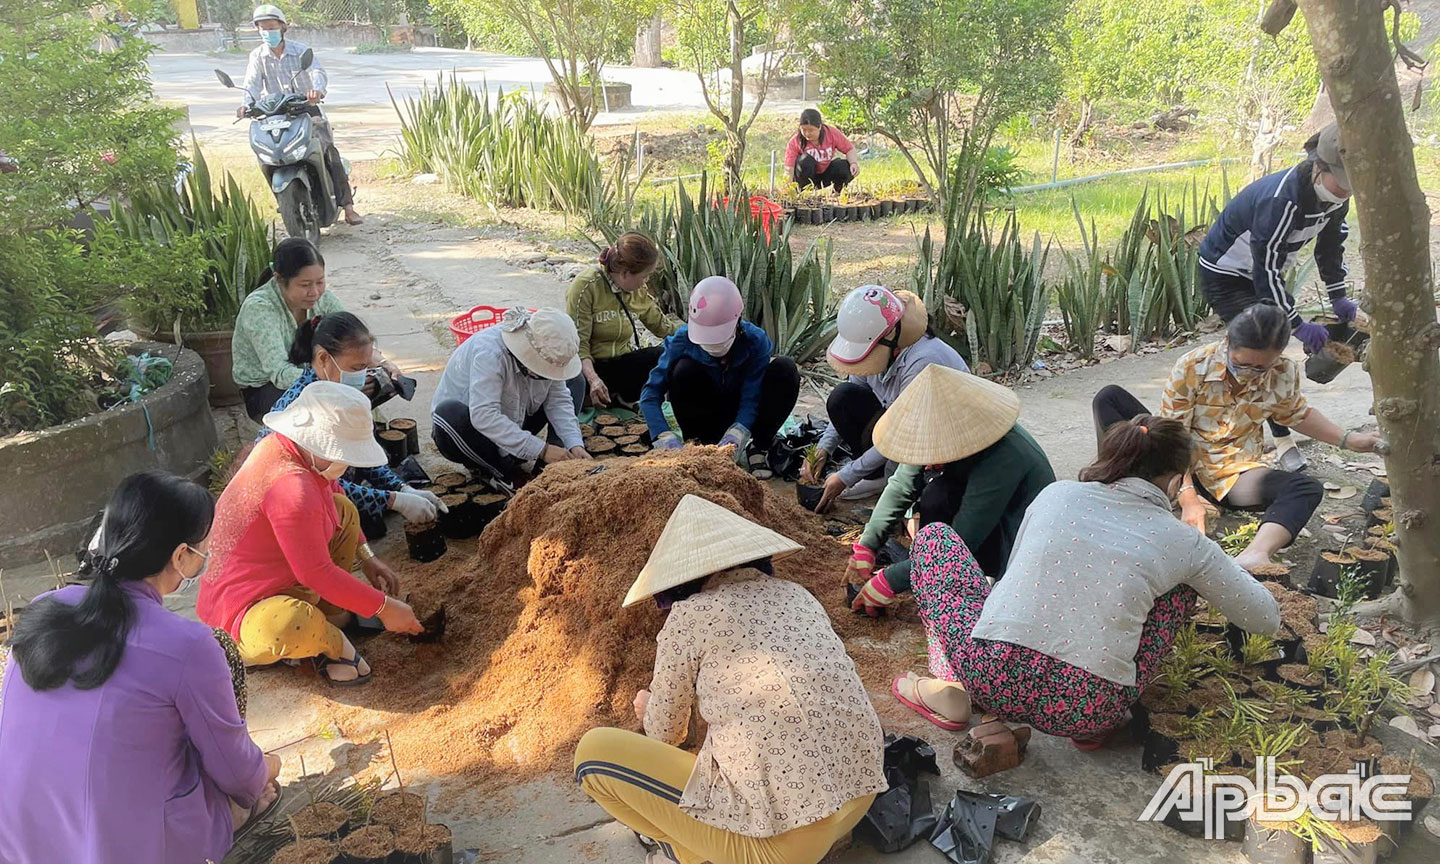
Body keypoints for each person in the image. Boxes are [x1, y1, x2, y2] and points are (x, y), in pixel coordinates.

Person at [890, 417, 1282, 746]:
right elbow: (1265, 619)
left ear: (1111, 456)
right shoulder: (1185, 542)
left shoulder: (1056, 494)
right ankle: (1094, 733)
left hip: (989, 675)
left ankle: (951, 687)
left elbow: (1016, 574)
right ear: (1176, 480)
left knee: (935, 538)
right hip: (1088, 708)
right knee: (1179, 585)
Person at [575, 495, 887, 864]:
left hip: (786, 844)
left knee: (592, 756)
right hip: (859, 798)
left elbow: (665, 733)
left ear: (678, 581)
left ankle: (682, 851)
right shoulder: (798, 596)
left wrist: (647, 709)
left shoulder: (689, 617)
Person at [0, 472, 282, 864]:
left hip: (20, 841)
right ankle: (228, 820)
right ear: (181, 556)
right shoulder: (189, 645)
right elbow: (237, 774)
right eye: (202, 549)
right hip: (123, 851)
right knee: (253, 787)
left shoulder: (46, 607)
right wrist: (266, 767)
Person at [1092, 304, 1385, 571]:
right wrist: (1188, 496)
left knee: (1305, 488)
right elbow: (1174, 436)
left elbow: (1297, 415)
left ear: (1277, 356)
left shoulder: (1283, 372)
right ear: (1228, 343)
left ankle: (1255, 555)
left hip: (1233, 477)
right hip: (1174, 465)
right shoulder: (1193, 366)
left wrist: (1349, 440)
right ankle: (1120, 485)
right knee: (1110, 398)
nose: (1248, 374)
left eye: (1260, 368)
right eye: (1241, 363)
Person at [199, 382, 424, 685]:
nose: (345, 463)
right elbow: (316, 574)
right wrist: (384, 608)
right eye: (342, 453)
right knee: (292, 624)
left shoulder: (292, 450)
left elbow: (334, 493)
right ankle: (329, 644)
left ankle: (332, 612)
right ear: (318, 443)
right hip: (244, 611)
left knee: (343, 509)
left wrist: (367, 556)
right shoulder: (291, 487)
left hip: (282, 574)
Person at [1197, 123, 1358, 470]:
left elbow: (1331, 249)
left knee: (1267, 356)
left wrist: (1339, 297)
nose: (1346, 189)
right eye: (1341, 180)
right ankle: (1278, 441)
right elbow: (1265, 267)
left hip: (1260, 273)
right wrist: (1296, 323)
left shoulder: (1336, 200)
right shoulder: (1282, 199)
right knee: (1262, 352)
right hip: (1225, 275)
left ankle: (1268, 431)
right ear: (1319, 166)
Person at [847, 365, 1055, 616]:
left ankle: (959, 586)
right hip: (983, 524)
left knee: (939, 499)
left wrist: (891, 580)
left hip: (1018, 543)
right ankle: (932, 577)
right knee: (937, 493)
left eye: (935, 454)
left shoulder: (1004, 455)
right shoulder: (939, 433)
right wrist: (867, 546)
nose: (929, 464)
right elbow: (902, 484)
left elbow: (964, 539)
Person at [259, 312, 447, 533]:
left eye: (366, 367)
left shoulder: (335, 391)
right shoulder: (307, 409)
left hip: (323, 484)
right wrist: (394, 500)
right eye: (356, 368)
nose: (364, 376)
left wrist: (402, 488)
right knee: (360, 521)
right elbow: (325, 486)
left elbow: (359, 456)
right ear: (323, 359)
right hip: (290, 499)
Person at [804, 286, 969, 510]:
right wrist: (823, 449)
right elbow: (852, 391)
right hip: (894, 419)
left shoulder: (922, 362)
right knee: (842, 397)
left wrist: (847, 476)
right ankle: (874, 472)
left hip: (935, 437)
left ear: (890, 343)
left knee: (921, 490)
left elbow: (901, 433)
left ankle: (883, 478)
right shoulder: (882, 347)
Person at [641, 277, 800, 474]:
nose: (713, 345)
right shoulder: (682, 340)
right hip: (704, 412)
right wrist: (663, 436)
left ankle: (759, 446)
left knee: (786, 369)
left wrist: (738, 433)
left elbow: (752, 396)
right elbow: (649, 394)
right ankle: (696, 444)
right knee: (683, 369)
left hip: (741, 411)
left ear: (737, 322)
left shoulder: (755, 341)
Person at [232, 238, 399, 422]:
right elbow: (280, 373)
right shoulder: (259, 309)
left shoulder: (323, 298)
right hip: (266, 389)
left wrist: (383, 363)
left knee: (373, 385)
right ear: (280, 279)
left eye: (320, 282)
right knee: (331, 408)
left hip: (314, 373)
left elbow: (352, 339)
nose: (315, 292)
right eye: (305, 285)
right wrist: (334, 383)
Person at [431, 307, 590, 488]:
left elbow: (559, 399)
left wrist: (574, 444)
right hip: (471, 431)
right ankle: (502, 470)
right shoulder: (490, 354)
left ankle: (553, 462)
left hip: (517, 418)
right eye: (543, 372)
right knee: (447, 412)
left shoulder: (550, 352)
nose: (546, 377)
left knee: (575, 380)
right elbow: (484, 416)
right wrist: (541, 450)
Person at [239, 5, 363, 226]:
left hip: (307, 110)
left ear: (283, 27)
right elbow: (252, 84)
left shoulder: (300, 51)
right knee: (268, 156)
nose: (268, 32)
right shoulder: (257, 56)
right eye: (263, 28)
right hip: (275, 114)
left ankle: (349, 207)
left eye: (272, 27)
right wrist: (246, 104)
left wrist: (316, 90)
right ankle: (285, 201)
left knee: (329, 154)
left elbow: (317, 71)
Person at [568, 232, 677, 408]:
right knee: (574, 381)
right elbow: (578, 346)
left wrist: (696, 338)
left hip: (620, 364)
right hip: (589, 369)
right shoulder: (586, 286)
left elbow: (661, 326)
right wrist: (594, 380)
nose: (646, 282)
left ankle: (615, 398)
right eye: (644, 276)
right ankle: (595, 398)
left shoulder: (636, 291)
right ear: (625, 273)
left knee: (662, 355)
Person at [784, 108, 860, 193]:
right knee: (805, 160)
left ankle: (836, 193)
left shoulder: (831, 133)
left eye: (811, 130)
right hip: (805, 178)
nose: (807, 134)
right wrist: (789, 189)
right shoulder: (795, 141)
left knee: (845, 166)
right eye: (804, 130)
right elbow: (789, 168)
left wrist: (853, 163)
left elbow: (849, 149)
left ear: (820, 127)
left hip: (824, 175)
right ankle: (803, 193)